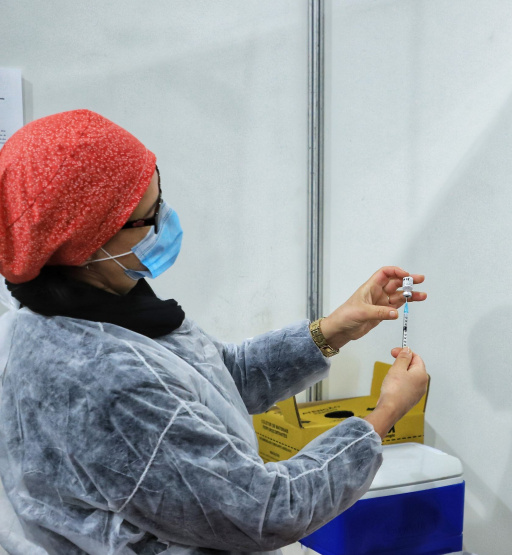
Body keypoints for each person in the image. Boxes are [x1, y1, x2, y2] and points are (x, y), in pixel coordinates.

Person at [0, 109, 429, 555]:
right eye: (147, 218)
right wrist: (382, 417)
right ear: (86, 241)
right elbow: (265, 511)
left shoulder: (91, 306)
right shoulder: (104, 381)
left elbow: (212, 380)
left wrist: (335, 329)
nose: (164, 222)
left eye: (160, 200)